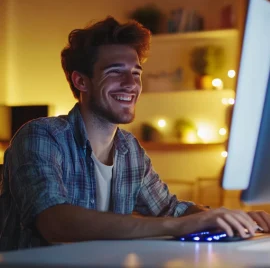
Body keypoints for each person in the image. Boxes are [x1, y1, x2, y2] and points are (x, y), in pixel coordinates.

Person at [0, 16, 269, 251]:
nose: (131, 84)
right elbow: (54, 221)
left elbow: (171, 209)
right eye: (115, 72)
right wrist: (180, 225)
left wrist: (236, 217)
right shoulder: (41, 136)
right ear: (81, 81)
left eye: (136, 73)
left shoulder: (130, 149)